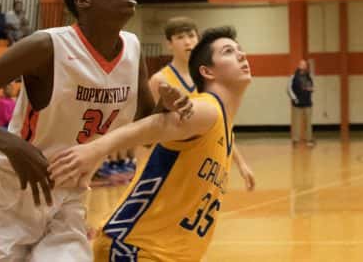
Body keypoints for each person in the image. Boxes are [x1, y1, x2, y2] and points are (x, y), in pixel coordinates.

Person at [0, 0, 192, 261]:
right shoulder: (46, 46)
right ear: (83, 1)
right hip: (8, 193)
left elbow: (144, 130)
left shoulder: (133, 48)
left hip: (68, 197)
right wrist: (10, 143)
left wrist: (165, 108)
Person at [49, 26, 254, 261]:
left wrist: (241, 164)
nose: (241, 55)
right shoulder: (206, 109)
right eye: (229, 51)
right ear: (207, 71)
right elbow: (154, 125)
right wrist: (94, 150)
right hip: (134, 248)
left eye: (240, 49)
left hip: (167, 252)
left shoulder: (222, 125)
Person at [147, 18, 256, 187]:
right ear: (169, 44)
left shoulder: (209, 79)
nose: (187, 42)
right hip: (171, 165)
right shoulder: (159, 80)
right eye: (180, 37)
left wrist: (241, 164)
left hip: (205, 162)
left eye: (191, 36)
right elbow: (149, 129)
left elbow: (222, 126)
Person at [289, 59, 315, 147]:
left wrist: (311, 89)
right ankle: (295, 140)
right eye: (301, 64)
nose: (303, 66)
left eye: (304, 65)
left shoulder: (309, 77)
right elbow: (288, 89)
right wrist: (294, 99)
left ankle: (309, 140)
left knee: (308, 123)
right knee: (296, 123)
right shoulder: (293, 77)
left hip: (307, 103)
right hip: (297, 104)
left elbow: (311, 87)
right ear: (299, 65)